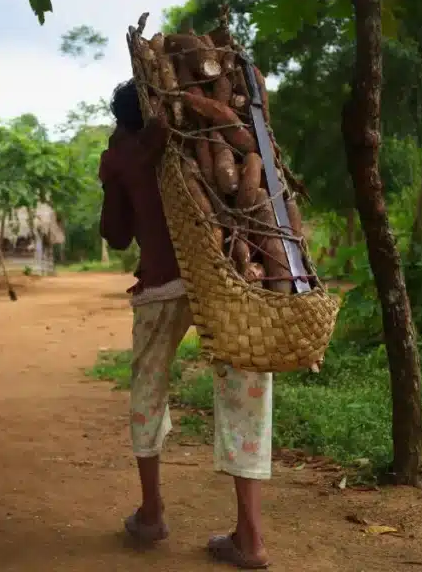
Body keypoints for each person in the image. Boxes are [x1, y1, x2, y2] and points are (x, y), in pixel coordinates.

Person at [98, 79, 273, 569]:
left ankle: (152, 513)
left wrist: (120, 172)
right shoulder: (218, 133)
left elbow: (113, 233)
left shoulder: (125, 153)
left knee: (148, 389)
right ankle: (251, 537)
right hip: (228, 279)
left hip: (162, 285)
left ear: (123, 117)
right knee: (246, 393)